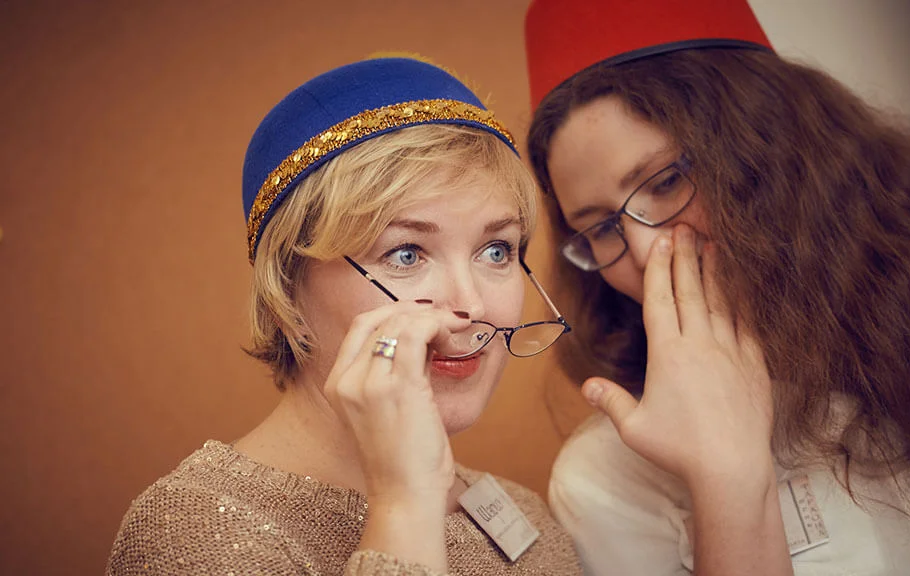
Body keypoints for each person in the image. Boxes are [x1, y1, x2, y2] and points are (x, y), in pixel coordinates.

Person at [523, 0, 910, 575]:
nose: (643, 250)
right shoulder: (606, 478)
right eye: (601, 228)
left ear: (773, 154)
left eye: (666, 182)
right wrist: (726, 478)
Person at [107, 57, 581, 576]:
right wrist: (404, 504)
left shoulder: (524, 512)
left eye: (496, 250)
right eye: (406, 254)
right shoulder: (188, 530)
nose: (472, 306)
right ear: (287, 290)